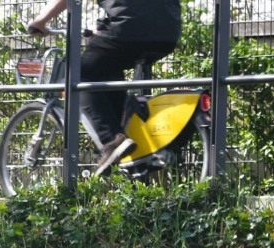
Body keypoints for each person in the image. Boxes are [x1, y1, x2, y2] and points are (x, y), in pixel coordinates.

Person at [27, 0, 182, 176]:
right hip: (169, 32)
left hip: (129, 28)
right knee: (106, 68)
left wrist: (40, 21)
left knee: (79, 75)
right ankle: (133, 147)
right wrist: (102, 28)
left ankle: (112, 140)